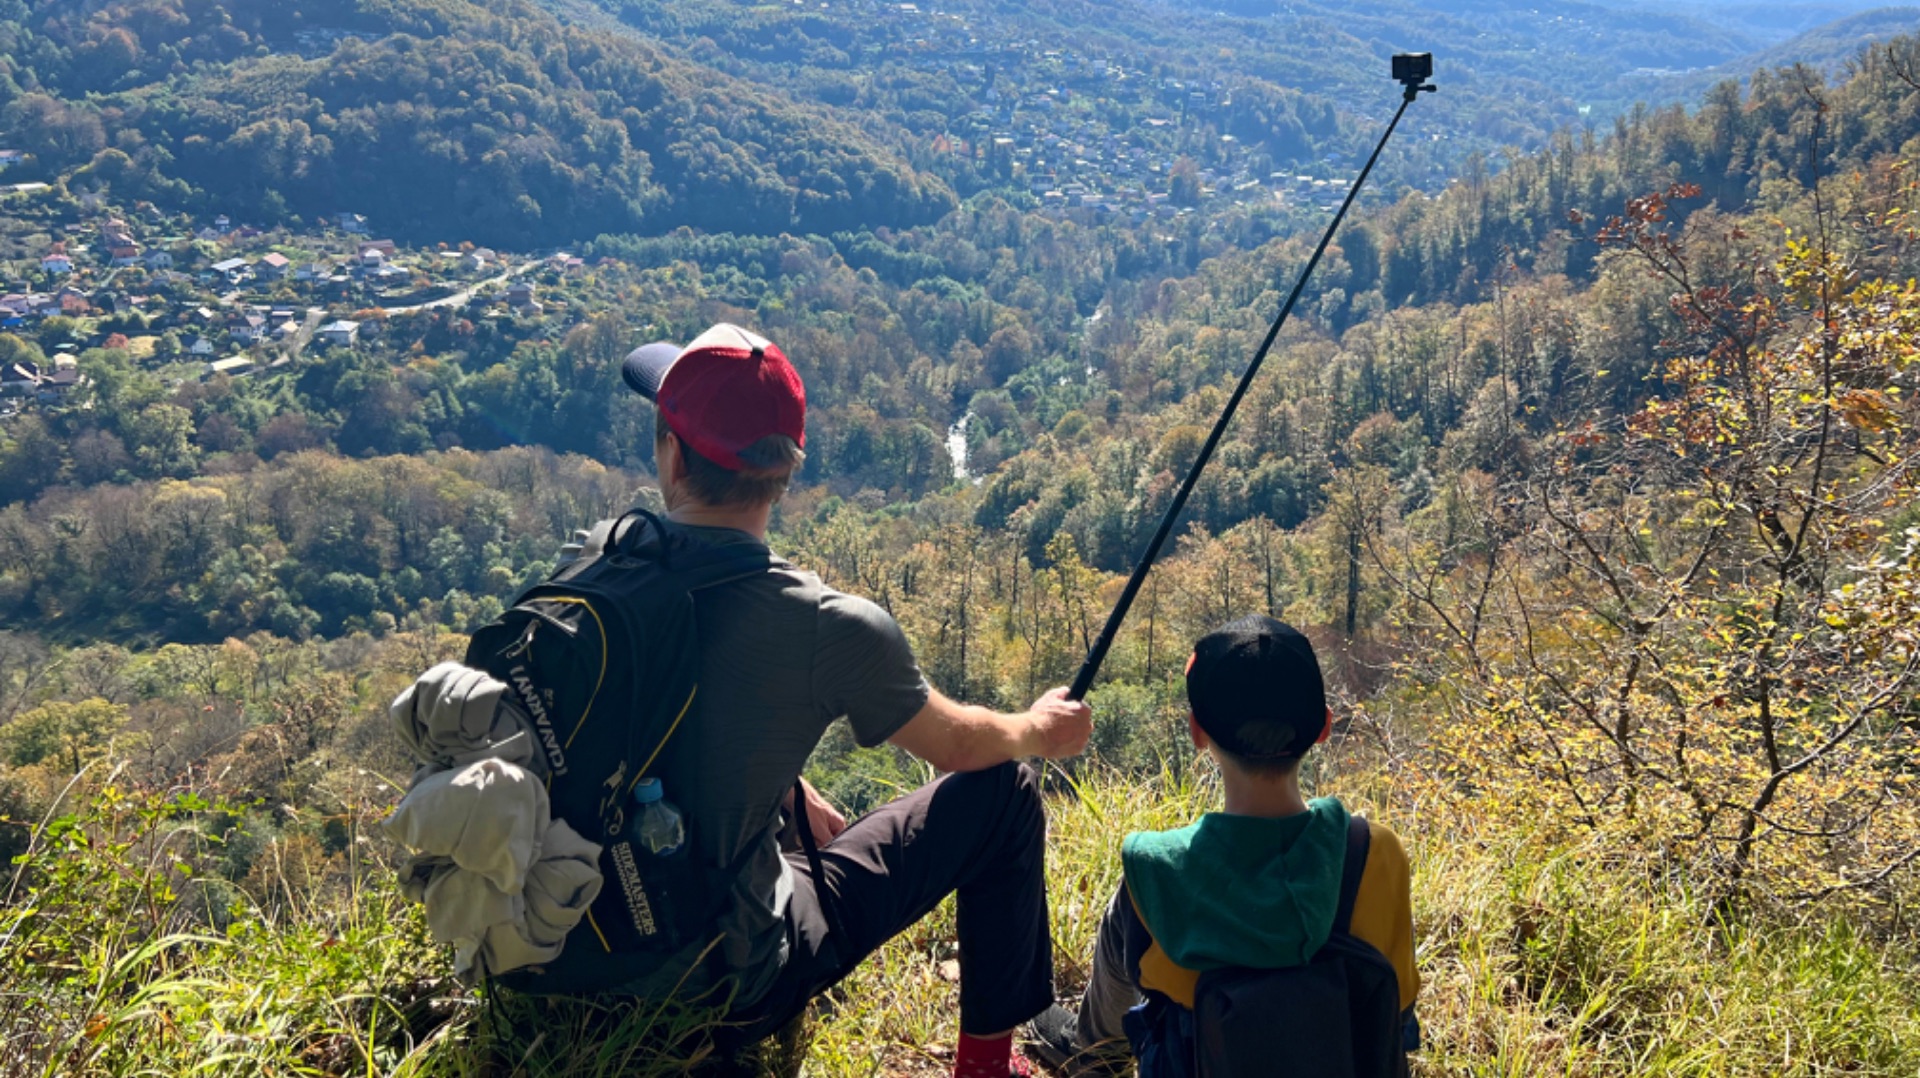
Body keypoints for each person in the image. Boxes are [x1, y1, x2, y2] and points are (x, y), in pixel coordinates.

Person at [602, 322, 1093, 1078]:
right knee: (1007, 788)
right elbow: (963, 749)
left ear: (671, 451)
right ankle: (986, 1065)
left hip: (572, 956)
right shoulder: (826, 623)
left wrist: (785, 787)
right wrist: (1035, 728)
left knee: (800, 828)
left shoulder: (595, 583)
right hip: (731, 984)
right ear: (788, 470)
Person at [1025, 615, 1419, 1075]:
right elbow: (1399, 1009)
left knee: (1125, 921)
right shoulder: (1375, 851)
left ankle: (1094, 1056)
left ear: (1197, 732)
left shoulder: (1154, 869)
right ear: (1323, 728)